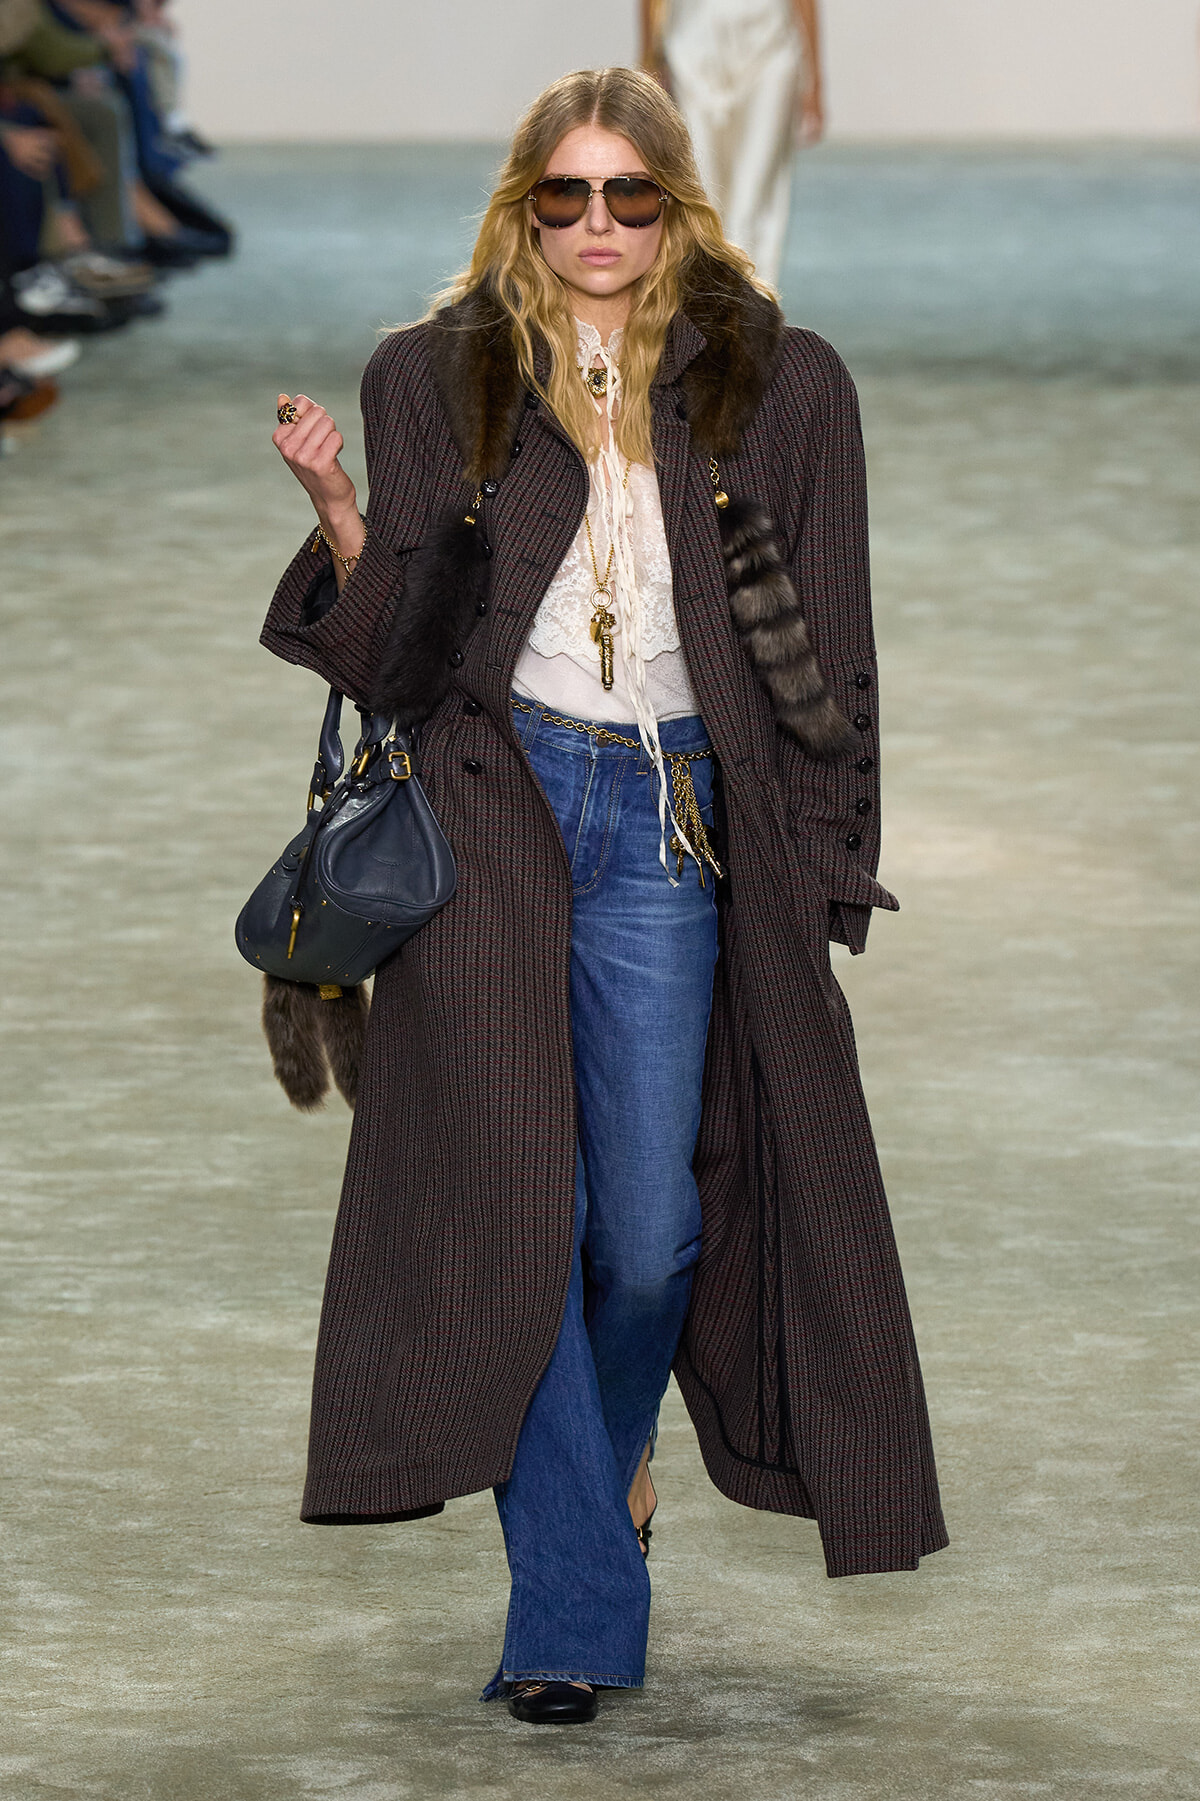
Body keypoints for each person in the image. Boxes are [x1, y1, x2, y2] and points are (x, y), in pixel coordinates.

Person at [262, 65, 946, 1727]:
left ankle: (609, 1457)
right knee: (518, 1210)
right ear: (520, 208)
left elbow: (831, 648)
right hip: (499, 798)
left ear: (673, 208)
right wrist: (349, 517)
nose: (593, 229)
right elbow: (412, 653)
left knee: (647, 1231)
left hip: (677, 818)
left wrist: (831, 854)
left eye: (626, 199)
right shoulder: (442, 376)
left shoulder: (783, 383)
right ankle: (571, 1602)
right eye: (561, 199)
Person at [641, 0, 823, 288]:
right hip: (693, 45)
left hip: (769, 43)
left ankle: (754, 310)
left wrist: (814, 83)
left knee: (754, 194)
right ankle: (712, 306)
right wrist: (649, 59)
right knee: (703, 191)